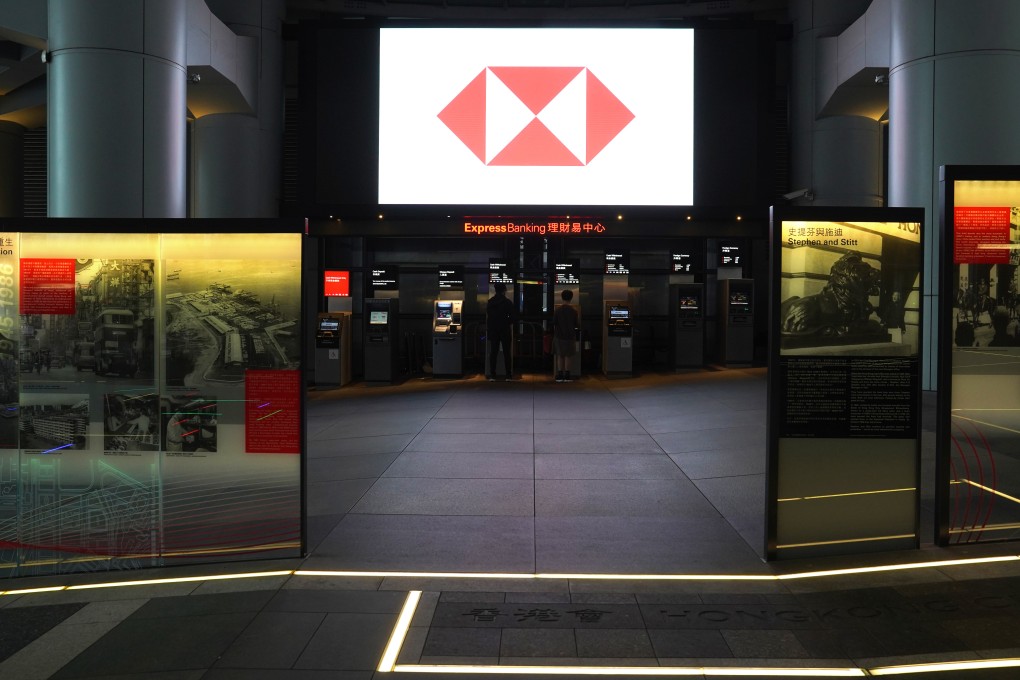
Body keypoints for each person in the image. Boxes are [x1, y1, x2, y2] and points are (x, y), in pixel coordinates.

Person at [486, 282, 516, 381]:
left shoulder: (490, 302)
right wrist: (506, 322)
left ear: (495, 290)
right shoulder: (507, 302)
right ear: (504, 290)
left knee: (493, 352)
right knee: (507, 352)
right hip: (505, 330)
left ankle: (492, 375)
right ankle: (508, 375)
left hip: (493, 330)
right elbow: (513, 317)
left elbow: (489, 317)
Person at [553, 289, 579, 382]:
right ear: (571, 298)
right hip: (570, 336)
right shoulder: (574, 311)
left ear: (562, 297)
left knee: (560, 355)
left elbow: (554, 323)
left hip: (559, 335)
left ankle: (560, 375)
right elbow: (576, 324)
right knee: (568, 355)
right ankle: (567, 375)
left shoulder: (557, 310)